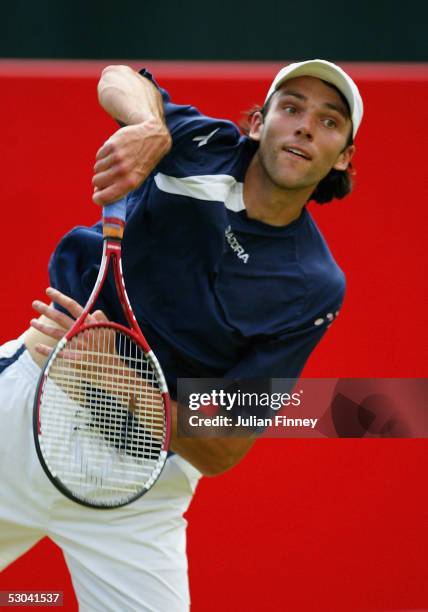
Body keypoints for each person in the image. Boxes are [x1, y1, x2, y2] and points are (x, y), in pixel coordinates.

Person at [0, 59, 363, 611]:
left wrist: (122, 380)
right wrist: (150, 127)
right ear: (258, 124)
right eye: (291, 108)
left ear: (342, 158)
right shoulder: (202, 144)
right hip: (31, 411)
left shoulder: (313, 286)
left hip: (141, 484)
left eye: (329, 121)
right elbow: (119, 78)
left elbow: (222, 447)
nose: (306, 126)